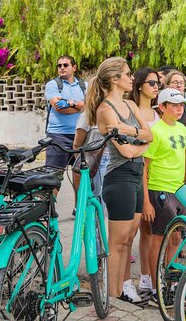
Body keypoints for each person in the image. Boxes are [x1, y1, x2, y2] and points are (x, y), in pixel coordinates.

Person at [85, 57, 153, 304]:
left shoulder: (130, 106)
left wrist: (131, 133)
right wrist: (141, 144)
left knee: (128, 239)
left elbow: (150, 135)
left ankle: (122, 288)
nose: (132, 78)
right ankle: (110, 296)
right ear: (115, 79)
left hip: (135, 175)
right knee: (118, 241)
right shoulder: (105, 110)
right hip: (120, 177)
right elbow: (126, 152)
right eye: (127, 74)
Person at [141, 88, 186, 304]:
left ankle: (171, 281)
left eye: (182, 105)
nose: (180, 108)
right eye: (174, 105)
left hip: (178, 191)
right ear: (162, 107)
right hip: (159, 189)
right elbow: (144, 168)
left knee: (176, 237)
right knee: (158, 238)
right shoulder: (155, 131)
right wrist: (145, 203)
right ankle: (154, 287)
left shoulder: (181, 128)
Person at [127, 67, 161, 297]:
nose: (156, 86)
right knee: (131, 231)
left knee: (150, 230)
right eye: (151, 82)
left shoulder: (160, 113)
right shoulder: (130, 111)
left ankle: (148, 278)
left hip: (155, 175)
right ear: (139, 85)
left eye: (158, 82)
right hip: (134, 173)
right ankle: (129, 280)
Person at [45, 55, 87, 215]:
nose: (62, 67)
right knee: (54, 175)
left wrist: (69, 102)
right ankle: (49, 209)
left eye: (65, 65)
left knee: (80, 173)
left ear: (74, 67)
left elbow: (90, 106)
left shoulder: (84, 86)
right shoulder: (53, 85)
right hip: (57, 136)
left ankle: (79, 207)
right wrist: (79, 105)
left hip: (80, 135)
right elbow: (58, 107)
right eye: (59, 65)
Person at [163, 70, 186, 172]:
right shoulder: (160, 104)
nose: (179, 85)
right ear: (167, 85)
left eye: (181, 82)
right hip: (165, 148)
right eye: (175, 82)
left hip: (181, 146)